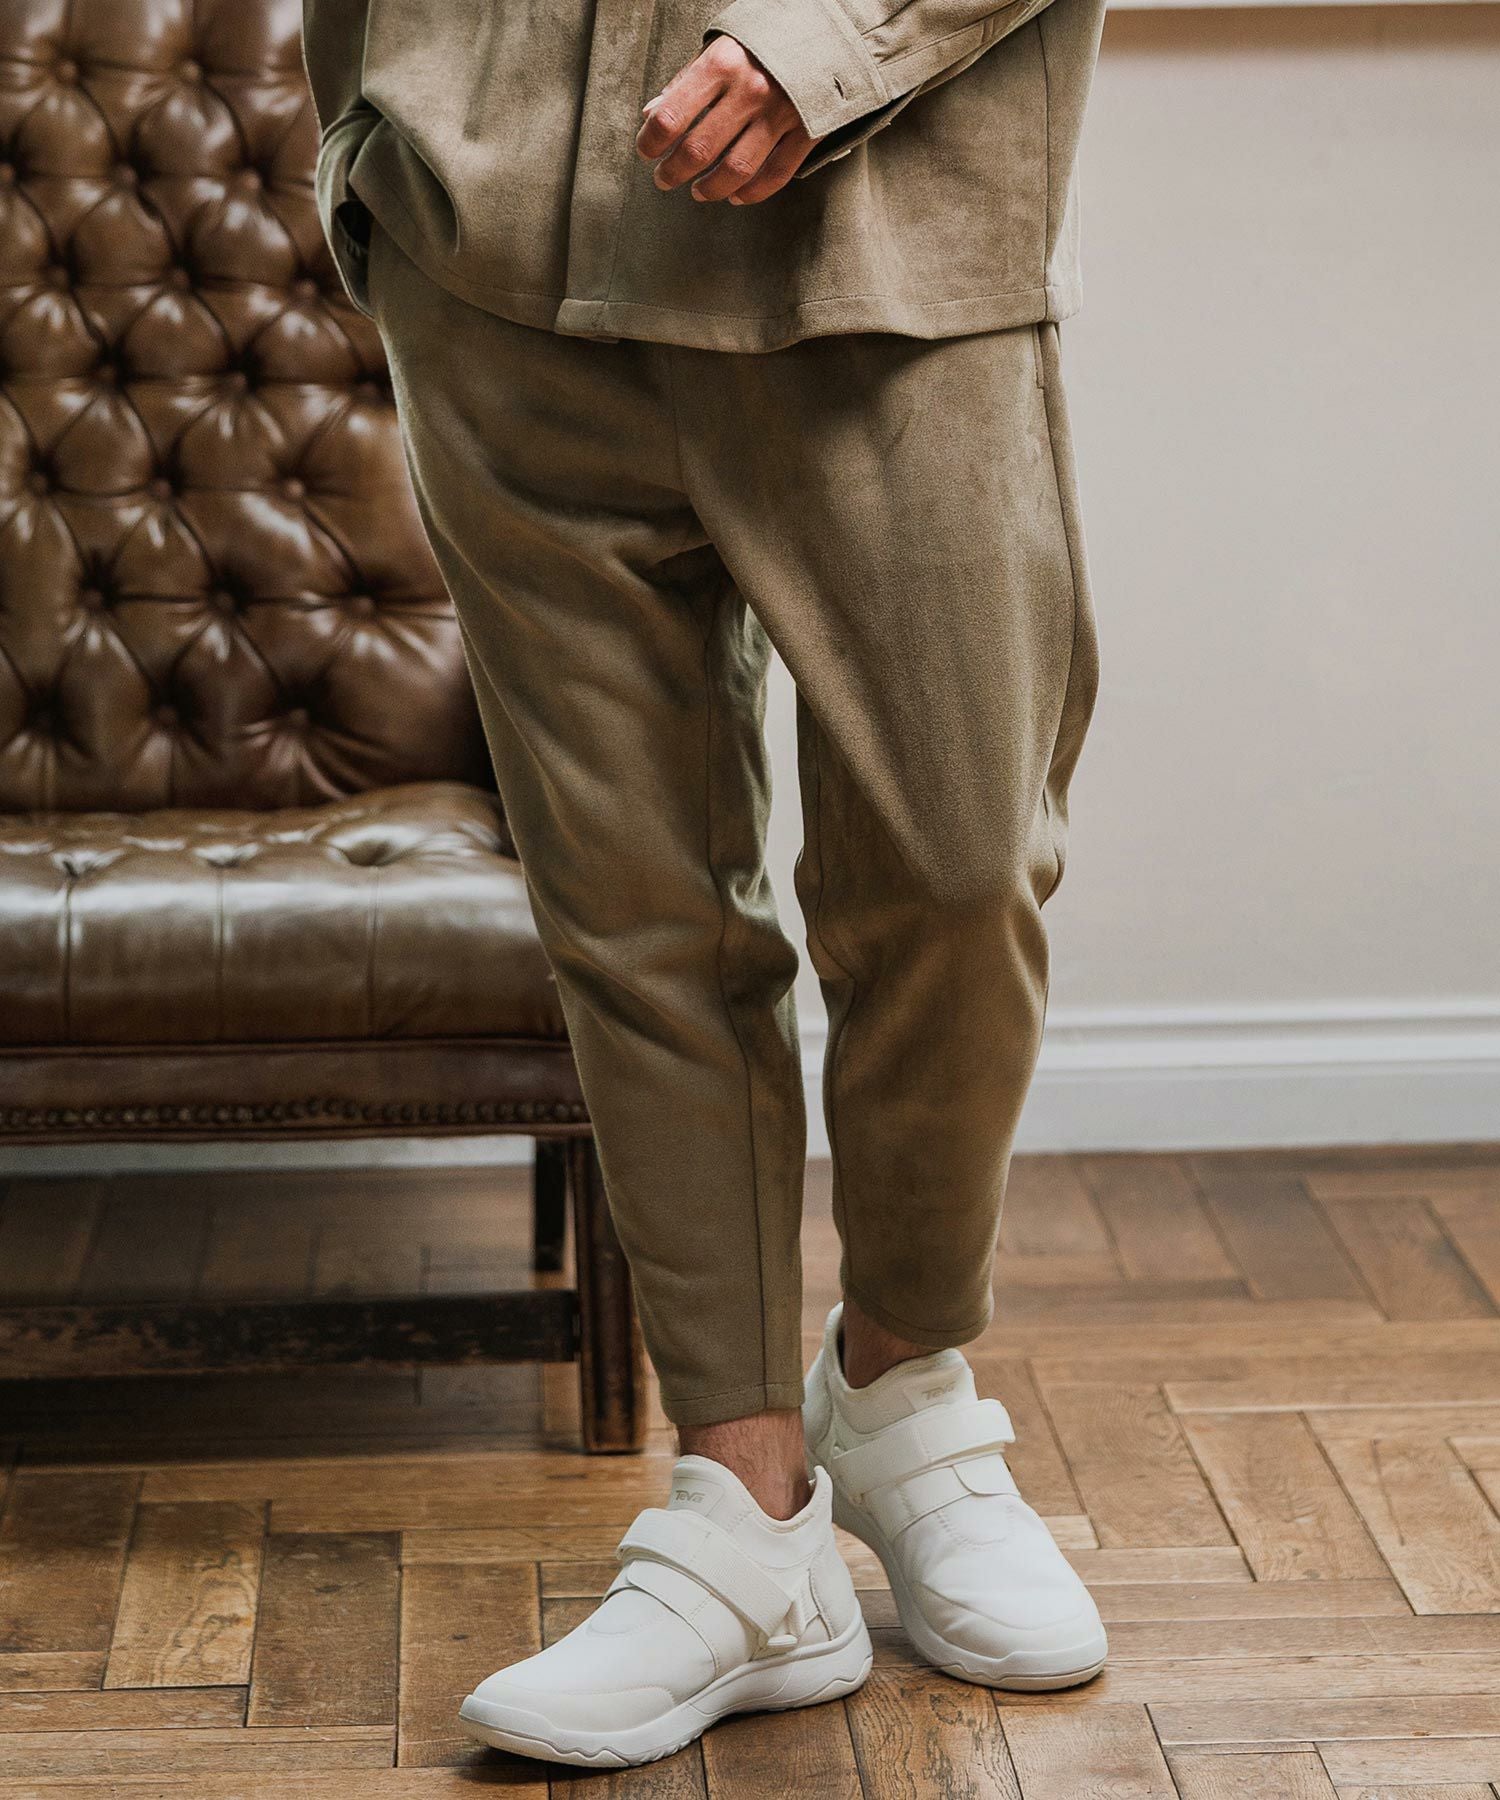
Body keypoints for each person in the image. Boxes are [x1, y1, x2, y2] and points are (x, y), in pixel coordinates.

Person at [303, 0, 1109, 1769]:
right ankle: (745, 1515)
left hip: (889, 224)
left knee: (959, 872)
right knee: (635, 916)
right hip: (495, 238)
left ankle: (900, 1389)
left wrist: (838, 40)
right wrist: (386, 131)